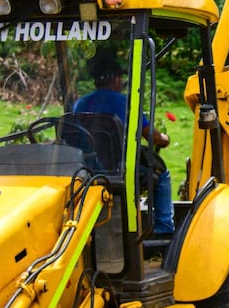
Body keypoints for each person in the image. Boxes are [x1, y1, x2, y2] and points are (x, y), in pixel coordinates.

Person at [74, 50, 175, 235]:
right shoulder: (125, 102)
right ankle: (164, 227)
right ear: (116, 79)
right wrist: (164, 139)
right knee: (161, 175)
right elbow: (151, 135)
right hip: (120, 168)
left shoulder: (81, 104)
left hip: (88, 167)